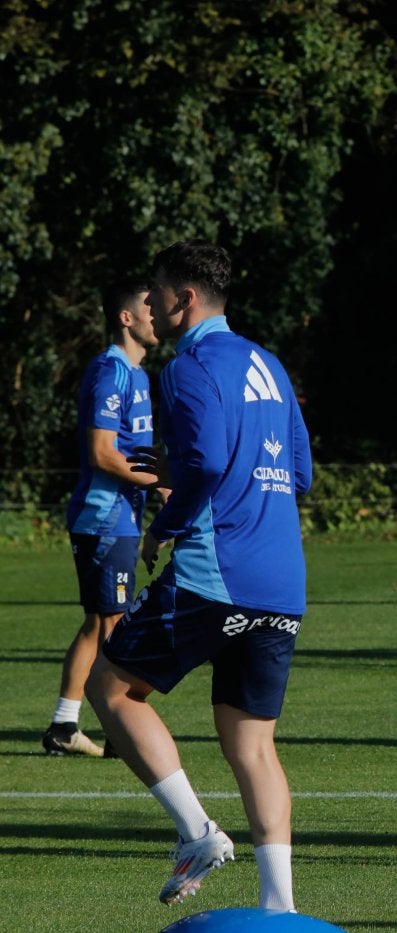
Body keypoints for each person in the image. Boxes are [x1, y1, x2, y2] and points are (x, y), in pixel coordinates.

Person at [86, 240, 311, 910]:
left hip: (220, 572)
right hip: (283, 582)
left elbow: (209, 462)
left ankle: (195, 831)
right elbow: (299, 472)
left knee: (113, 687)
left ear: (186, 299)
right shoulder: (268, 362)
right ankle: (281, 907)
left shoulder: (189, 366)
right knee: (253, 744)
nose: (149, 306)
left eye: (157, 294)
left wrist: (168, 523)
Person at [45, 279, 160, 757]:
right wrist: (160, 484)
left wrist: (165, 483)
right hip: (103, 518)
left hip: (121, 520)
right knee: (114, 622)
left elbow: (136, 454)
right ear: (126, 318)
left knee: (100, 622)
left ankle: (65, 727)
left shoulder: (138, 375)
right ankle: (120, 726)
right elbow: (103, 453)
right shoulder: (110, 371)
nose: (157, 315)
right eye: (148, 308)